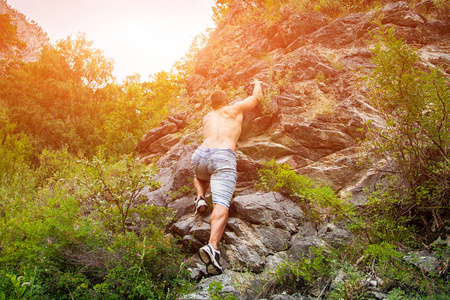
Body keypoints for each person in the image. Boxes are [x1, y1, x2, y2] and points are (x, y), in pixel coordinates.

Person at [191, 80, 263, 275]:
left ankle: (199, 197)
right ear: (227, 100)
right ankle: (212, 247)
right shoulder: (233, 109)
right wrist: (257, 83)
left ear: (212, 105)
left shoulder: (207, 117)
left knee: (199, 175)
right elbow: (255, 99)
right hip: (223, 155)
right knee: (221, 203)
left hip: (200, 155)